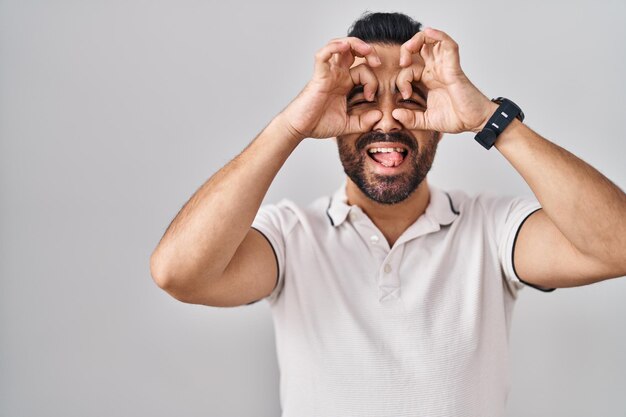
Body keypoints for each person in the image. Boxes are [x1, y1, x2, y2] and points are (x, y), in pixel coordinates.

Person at [150, 12, 626, 417]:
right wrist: (293, 125)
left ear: (441, 124)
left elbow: (617, 247)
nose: (388, 120)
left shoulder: (491, 230)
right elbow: (178, 273)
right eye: (362, 100)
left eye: (410, 100)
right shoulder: (293, 236)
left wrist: (487, 118)